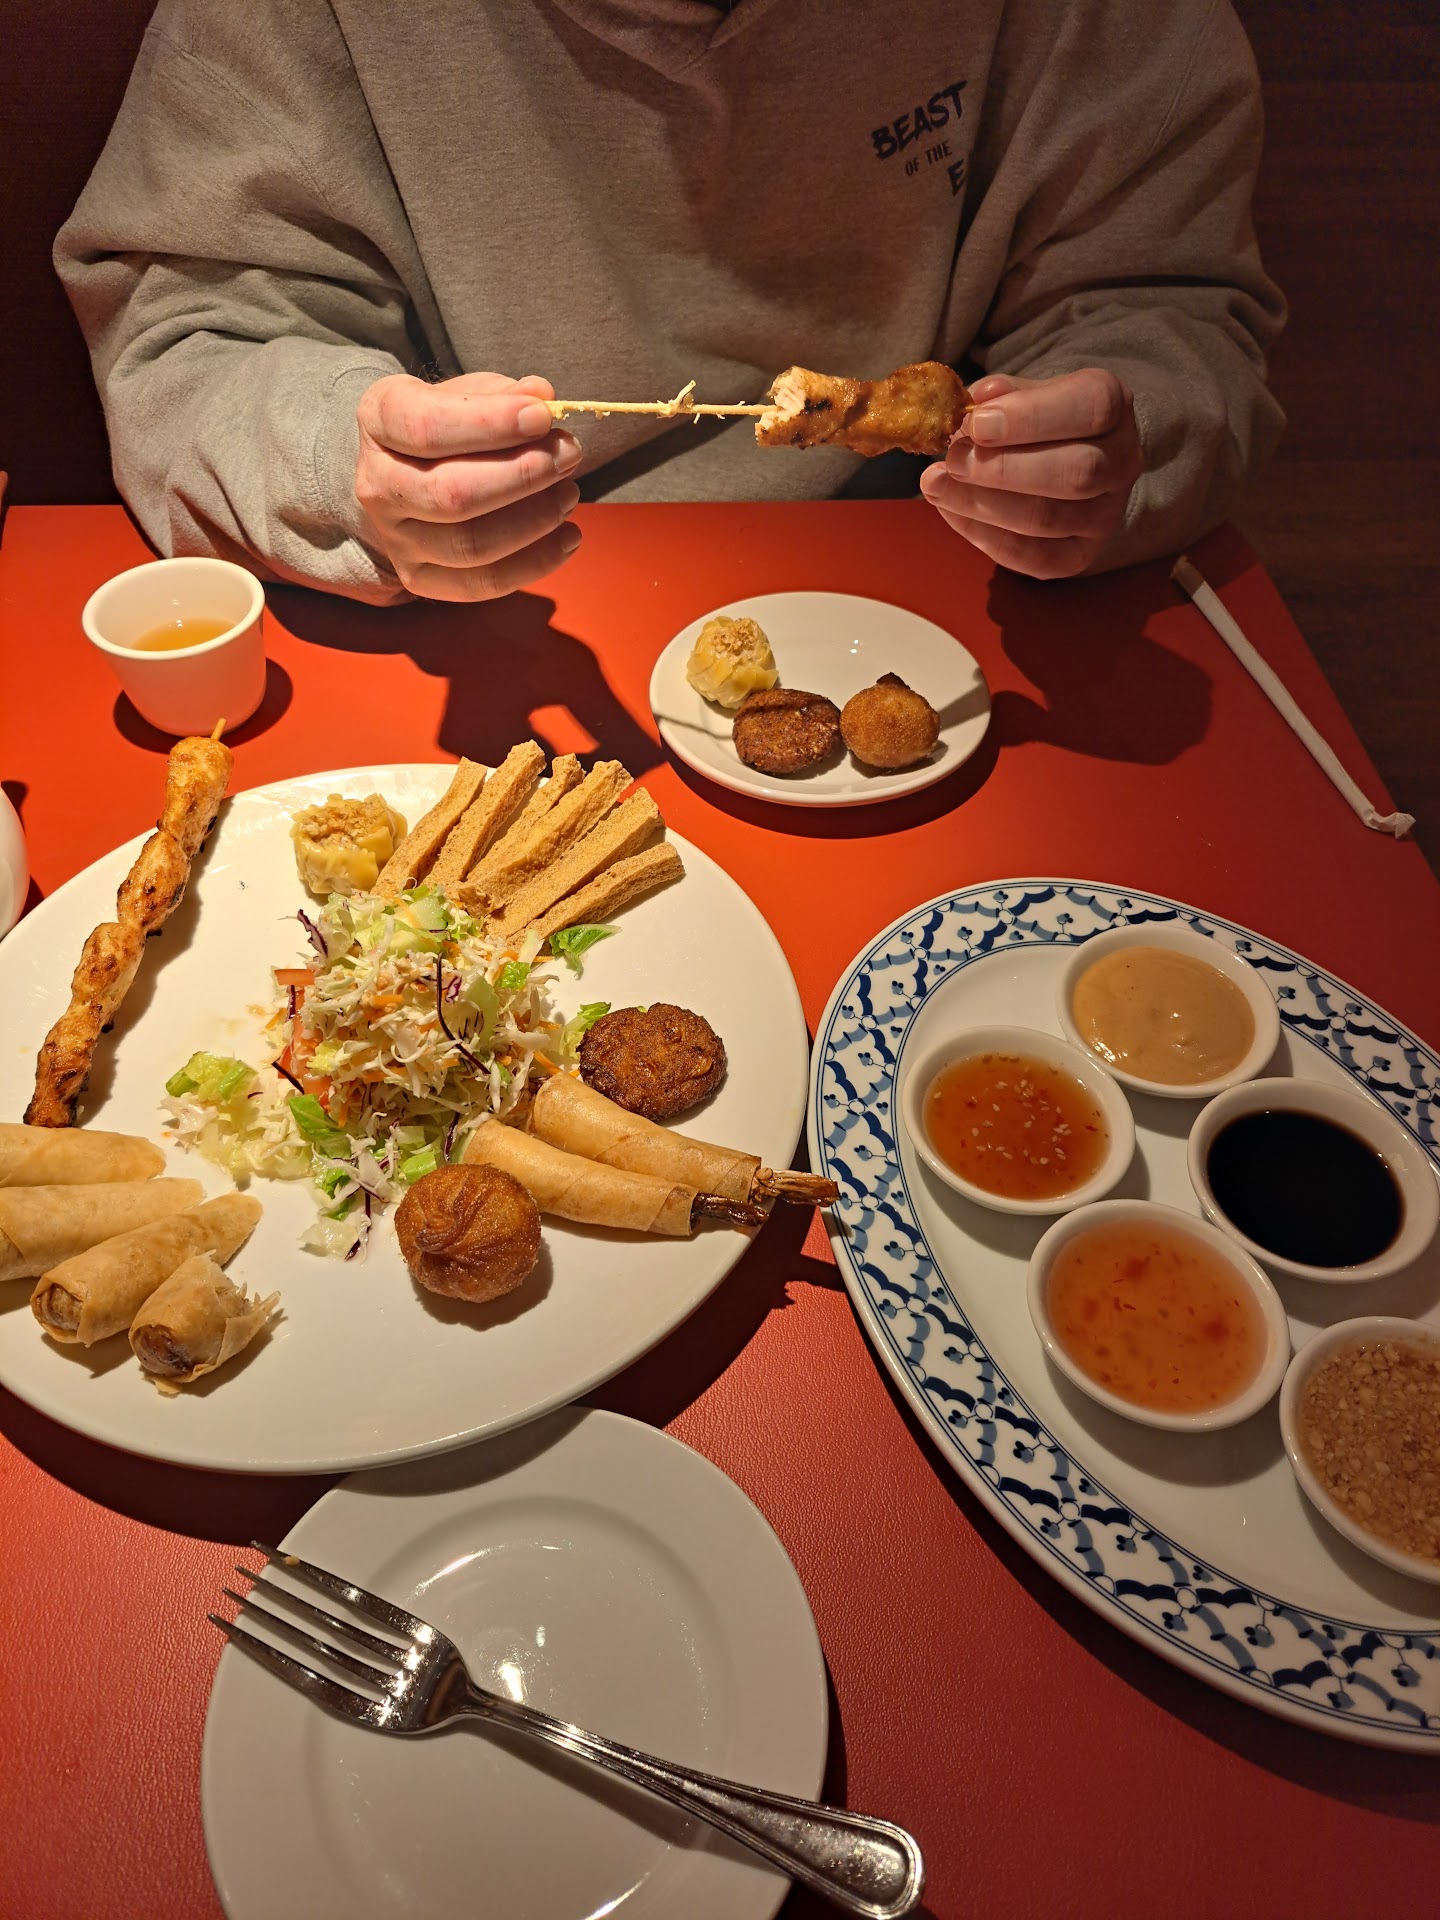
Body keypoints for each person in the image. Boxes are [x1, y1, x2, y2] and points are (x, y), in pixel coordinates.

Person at [55, 0, 1285, 607]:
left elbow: (1163, 305)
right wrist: (351, 463)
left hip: (952, 594)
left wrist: (1117, 447)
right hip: (467, 626)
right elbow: (190, 338)